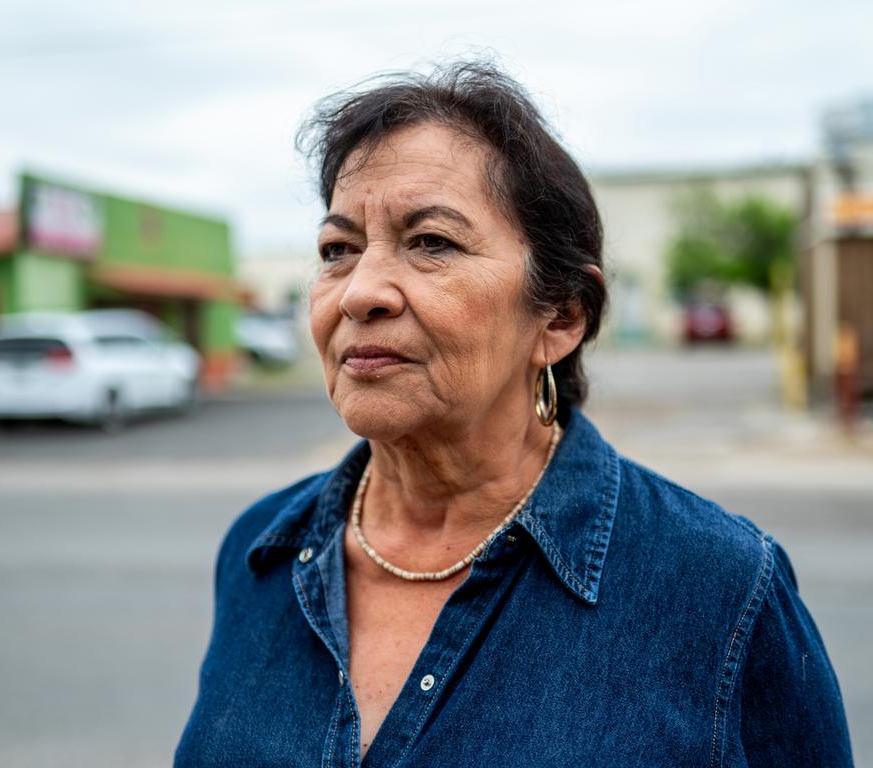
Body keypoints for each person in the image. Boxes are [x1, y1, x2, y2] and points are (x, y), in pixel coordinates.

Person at [174, 62, 853, 767]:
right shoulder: (259, 553)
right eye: (337, 250)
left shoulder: (719, 587)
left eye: (431, 241)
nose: (360, 292)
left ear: (559, 317)